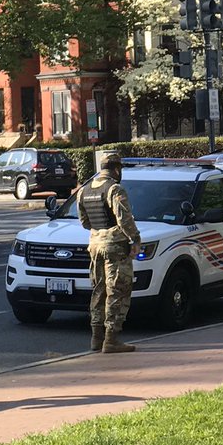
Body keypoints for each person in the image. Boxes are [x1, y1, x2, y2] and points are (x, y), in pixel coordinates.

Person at [79, 152, 141, 354]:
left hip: (95, 245)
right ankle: (111, 339)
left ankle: (96, 338)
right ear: (116, 169)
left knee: (98, 290)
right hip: (114, 247)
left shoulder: (85, 190)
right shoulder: (115, 189)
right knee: (117, 290)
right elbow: (124, 219)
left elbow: (84, 222)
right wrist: (135, 239)